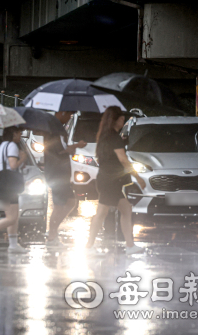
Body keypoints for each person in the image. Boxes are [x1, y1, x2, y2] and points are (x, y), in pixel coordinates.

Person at [86, 106, 146, 255]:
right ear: (116, 120)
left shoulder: (105, 136)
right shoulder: (114, 137)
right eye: (122, 119)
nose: (123, 122)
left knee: (126, 209)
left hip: (107, 179)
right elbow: (123, 160)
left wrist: (121, 142)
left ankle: (130, 245)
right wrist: (137, 177)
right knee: (101, 213)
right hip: (110, 182)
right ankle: (88, 247)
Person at [43, 111, 87, 247]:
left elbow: (62, 149)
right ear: (61, 113)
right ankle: (51, 236)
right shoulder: (53, 131)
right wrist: (75, 146)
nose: (69, 118)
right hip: (57, 173)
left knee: (70, 202)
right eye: (68, 115)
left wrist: (71, 148)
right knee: (59, 205)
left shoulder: (57, 130)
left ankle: (53, 233)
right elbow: (59, 150)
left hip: (60, 173)